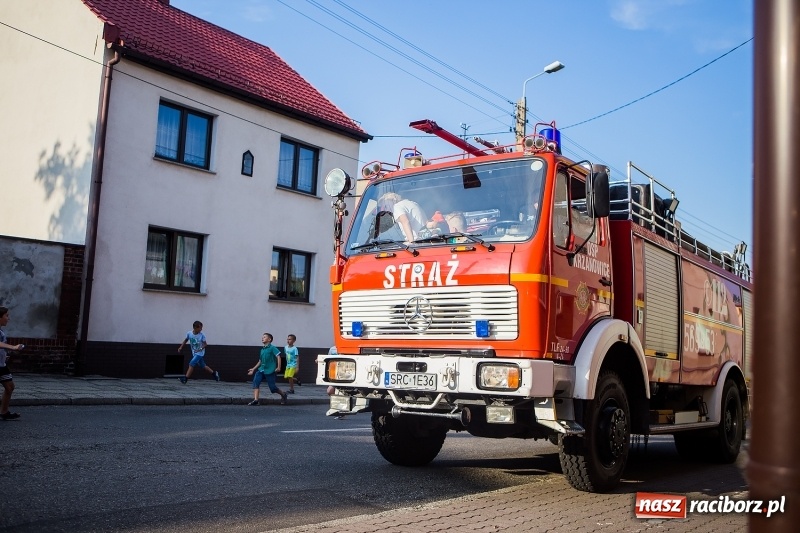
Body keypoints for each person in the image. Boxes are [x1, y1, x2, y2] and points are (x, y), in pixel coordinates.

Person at [247, 333, 288, 405]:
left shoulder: (272, 348)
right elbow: (260, 361)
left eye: (264, 337)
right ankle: (256, 400)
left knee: (273, 388)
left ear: (269, 339)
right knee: (256, 382)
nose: (262, 338)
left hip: (270, 370)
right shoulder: (262, 350)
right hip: (261, 369)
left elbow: (278, 356)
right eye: (262, 337)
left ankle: (283, 394)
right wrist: (253, 369)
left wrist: (279, 367)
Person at [0, 306, 24, 421]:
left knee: (10, 387)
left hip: (1, 365)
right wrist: (13, 347)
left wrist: (5, 354)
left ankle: (4, 412)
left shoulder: (1, 331)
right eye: (6, 316)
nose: (8, 318)